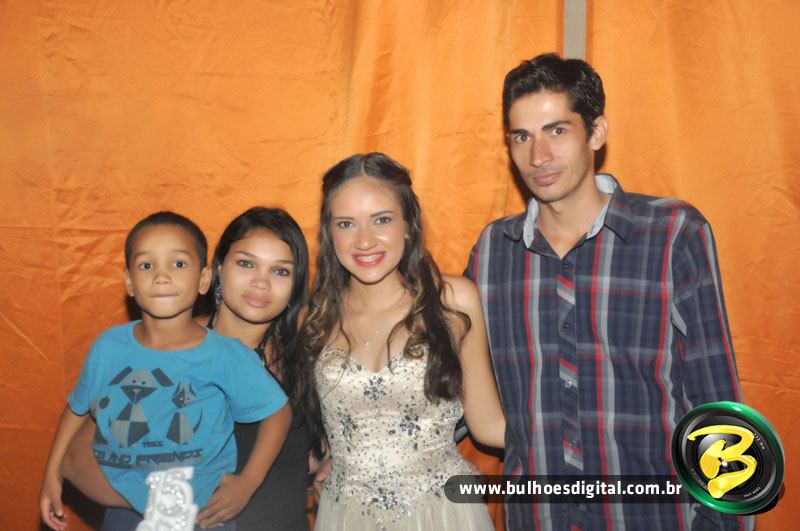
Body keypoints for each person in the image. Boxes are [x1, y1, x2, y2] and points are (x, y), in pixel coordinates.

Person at [465, 53, 751, 530]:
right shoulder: (494, 251)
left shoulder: (672, 234)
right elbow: (451, 381)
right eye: (522, 136)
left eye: (557, 131)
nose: (538, 156)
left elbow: (717, 401)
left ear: (596, 132)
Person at [58, 207, 313, 530]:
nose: (261, 283)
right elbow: (76, 460)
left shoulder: (306, 354)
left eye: (280, 271)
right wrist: (169, 505)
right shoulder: (166, 349)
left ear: (295, 284)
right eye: (246, 264)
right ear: (216, 270)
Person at [295, 152, 506, 530]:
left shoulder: (454, 301)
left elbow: (489, 425)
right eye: (346, 223)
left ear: (409, 225)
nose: (364, 241)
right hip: (345, 516)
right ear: (329, 233)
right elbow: (312, 431)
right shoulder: (313, 319)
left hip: (443, 515)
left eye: (382, 220)